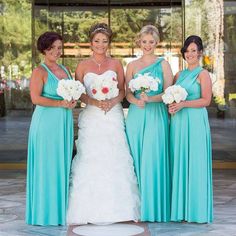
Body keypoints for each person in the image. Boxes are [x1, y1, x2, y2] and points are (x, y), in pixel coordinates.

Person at [66, 23, 140, 225]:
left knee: (115, 156)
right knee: (91, 157)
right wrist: (94, 102)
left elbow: (124, 91)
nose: (101, 44)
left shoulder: (116, 63)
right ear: (91, 42)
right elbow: (79, 92)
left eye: (104, 41)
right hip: (92, 116)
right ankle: (87, 208)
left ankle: (121, 209)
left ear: (109, 43)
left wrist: (112, 101)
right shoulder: (82, 65)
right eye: (97, 41)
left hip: (112, 115)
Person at [26, 32, 77, 226]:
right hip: (46, 123)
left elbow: (71, 93)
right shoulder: (40, 71)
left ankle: (59, 212)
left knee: (61, 164)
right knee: (46, 166)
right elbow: (35, 98)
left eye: (59, 47)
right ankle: (44, 214)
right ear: (43, 49)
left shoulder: (65, 69)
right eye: (52, 48)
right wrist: (60, 105)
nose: (56, 51)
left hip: (63, 122)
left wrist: (71, 103)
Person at [125, 25, 173, 222]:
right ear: (139, 42)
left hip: (155, 115)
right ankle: (136, 208)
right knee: (136, 157)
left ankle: (154, 208)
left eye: (151, 42)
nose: (147, 45)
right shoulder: (132, 65)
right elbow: (127, 92)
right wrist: (135, 100)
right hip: (137, 114)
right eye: (144, 42)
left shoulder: (164, 65)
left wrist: (151, 99)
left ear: (156, 43)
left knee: (153, 158)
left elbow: (169, 92)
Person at [169, 35, 213, 223]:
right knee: (180, 161)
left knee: (195, 162)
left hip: (195, 122)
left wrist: (184, 104)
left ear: (200, 52)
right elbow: (170, 97)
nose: (190, 54)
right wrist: (170, 106)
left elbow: (206, 100)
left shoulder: (203, 74)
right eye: (187, 51)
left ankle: (196, 211)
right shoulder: (178, 75)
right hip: (178, 123)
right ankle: (180, 210)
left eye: (193, 50)